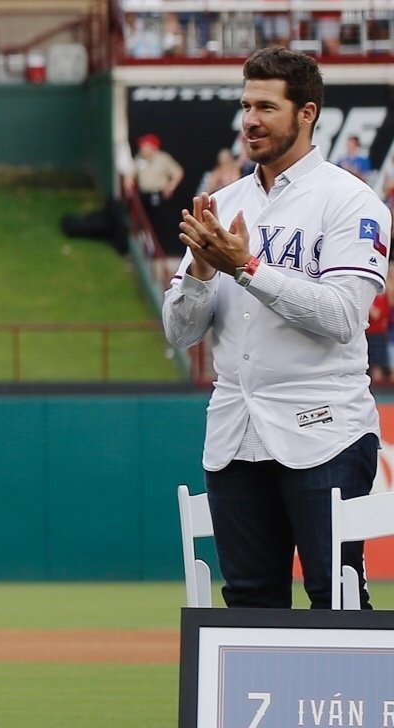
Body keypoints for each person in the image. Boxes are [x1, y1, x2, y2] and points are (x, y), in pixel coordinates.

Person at [165, 48, 387, 610]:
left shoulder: (351, 201)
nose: (251, 120)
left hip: (325, 429)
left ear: (306, 113)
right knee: (249, 601)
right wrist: (200, 269)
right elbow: (180, 332)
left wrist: (247, 267)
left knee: (334, 596)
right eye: (245, 105)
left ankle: (342, 704)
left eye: (267, 105)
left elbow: (342, 316)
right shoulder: (220, 203)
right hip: (236, 431)